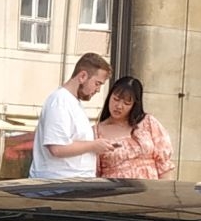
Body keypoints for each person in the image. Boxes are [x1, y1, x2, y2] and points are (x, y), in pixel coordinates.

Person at [28, 51, 114, 180]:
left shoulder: (70, 102)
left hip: (71, 183)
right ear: (83, 76)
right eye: (97, 83)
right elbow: (57, 148)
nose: (98, 90)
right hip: (59, 185)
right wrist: (93, 145)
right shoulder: (59, 101)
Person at [95, 75, 175, 180]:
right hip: (115, 192)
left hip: (150, 190)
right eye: (116, 99)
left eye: (126, 103)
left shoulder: (148, 122)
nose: (119, 106)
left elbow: (164, 165)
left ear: (134, 105)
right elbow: (95, 171)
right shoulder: (97, 131)